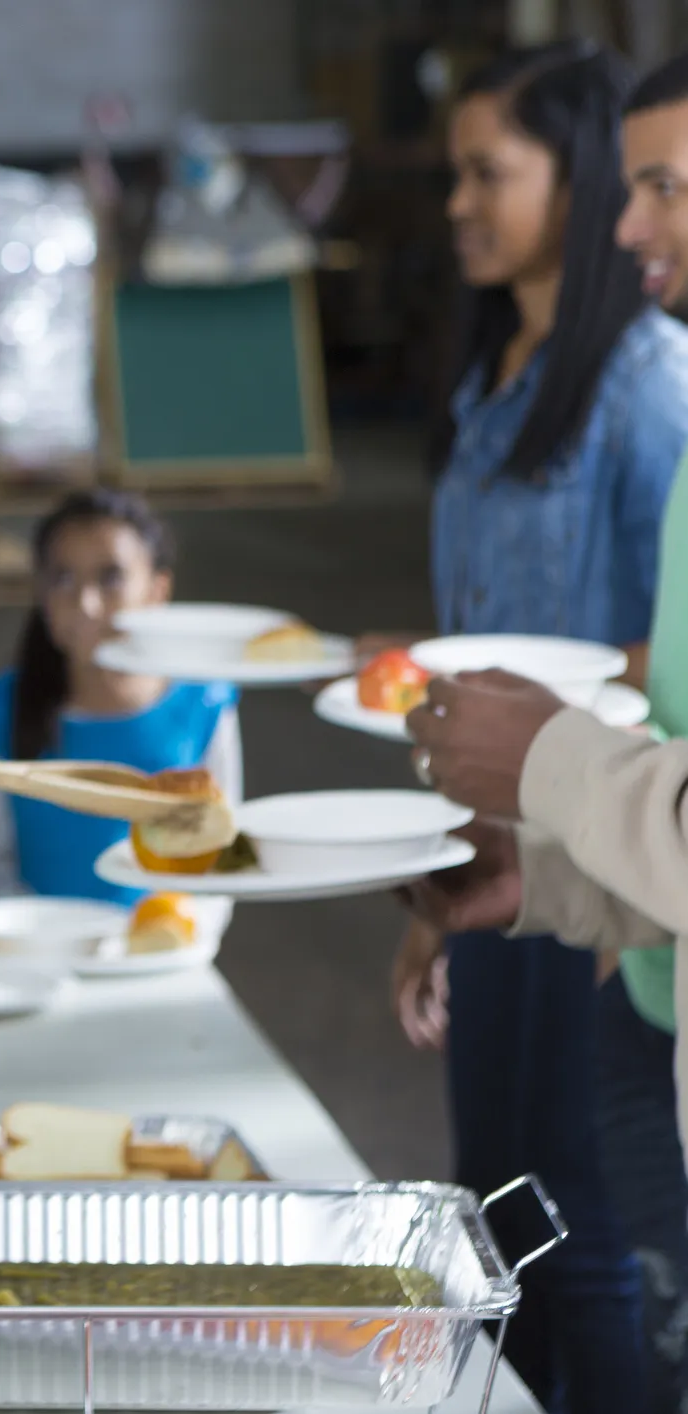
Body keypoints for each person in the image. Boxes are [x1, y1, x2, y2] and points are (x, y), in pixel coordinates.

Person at [375, 41, 688, 1412]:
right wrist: (489, 857)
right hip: (552, 862)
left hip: (609, 846)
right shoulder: (491, 375)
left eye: (486, 173)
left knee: (588, 1245)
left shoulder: (647, 384)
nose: (633, 227)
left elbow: (644, 672)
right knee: (496, 1216)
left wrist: (541, 751)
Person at [0, 489, 239, 915]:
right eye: (62, 579)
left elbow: (224, 854)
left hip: (162, 955)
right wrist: (47, 938)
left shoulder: (204, 703)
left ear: (156, 590)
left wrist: (178, 932)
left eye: (110, 578)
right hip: (38, 958)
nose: (86, 604)